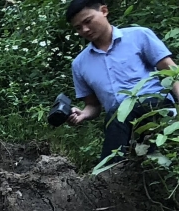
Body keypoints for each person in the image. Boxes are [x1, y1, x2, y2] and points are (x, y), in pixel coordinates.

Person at [64, 0, 177, 157]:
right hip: (120, 122)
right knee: (118, 118)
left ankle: (108, 174)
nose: (85, 29)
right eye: (78, 28)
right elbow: (93, 105)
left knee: (121, 114)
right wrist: (83, 114)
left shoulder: (139, 36)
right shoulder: (80, 64)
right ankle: (116, 172)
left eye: (87, 21)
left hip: (156, 106)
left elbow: (171, 72)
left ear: (104, 11)